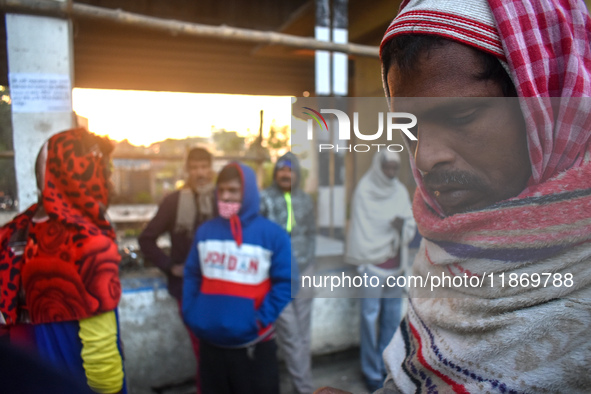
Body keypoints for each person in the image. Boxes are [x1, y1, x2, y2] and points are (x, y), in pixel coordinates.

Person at [317, 0, 591, 392]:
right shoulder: (443, 242)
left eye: (460, 117)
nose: (424, 158)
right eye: (408, 130)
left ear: (542, 102)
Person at [0, 128, 127, 393]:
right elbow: (101, 360)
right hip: (76, 382)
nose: (110, 181)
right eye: (105, 171)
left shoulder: (13, 234)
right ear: (83, 175)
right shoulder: (89, 244)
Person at [182, 162, 292, 394]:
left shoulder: (273, 236)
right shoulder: (205, 232)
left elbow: (286, 283)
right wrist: (191, 312)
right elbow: (192, 274)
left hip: (254, 347)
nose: (225, 197)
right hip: (211, 346)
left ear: (248, 192)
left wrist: (259, 320)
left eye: (233, 190)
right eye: (221, 191)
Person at [138, 147, 214, 391]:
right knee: (204, 351)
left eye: (204, 167)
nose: (200, 173)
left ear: (211, 168)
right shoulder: (173, 202)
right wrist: (170, 266)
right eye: (195, 168)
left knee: (218, 351)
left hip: (220, 287)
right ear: (187, 170)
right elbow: (146, 239)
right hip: (188, 289)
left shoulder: (222, 200)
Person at [344, 150, 415, 392]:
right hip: (371, 267)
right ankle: (370, 371)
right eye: (388, 167)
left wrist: (401, 226)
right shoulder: (365, 190)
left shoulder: (400, 192)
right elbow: (362, 229)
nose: (391, 173)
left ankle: (387, 369)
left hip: (395, 267)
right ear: (379, 166)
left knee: (391, 321)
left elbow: (410, 223)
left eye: (395, 167)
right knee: (368, 319)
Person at [260, 152, 316, 394]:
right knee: (292, 337)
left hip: (304, 271)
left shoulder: (305, 200)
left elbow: (311, 233)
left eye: (290, 170)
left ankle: (299, 386)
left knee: (303, 336)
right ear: (275, 173)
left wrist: (309, 263)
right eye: (281, 170)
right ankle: (305, 389)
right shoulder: (264, 200)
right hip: (277, 278)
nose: (285, 174)